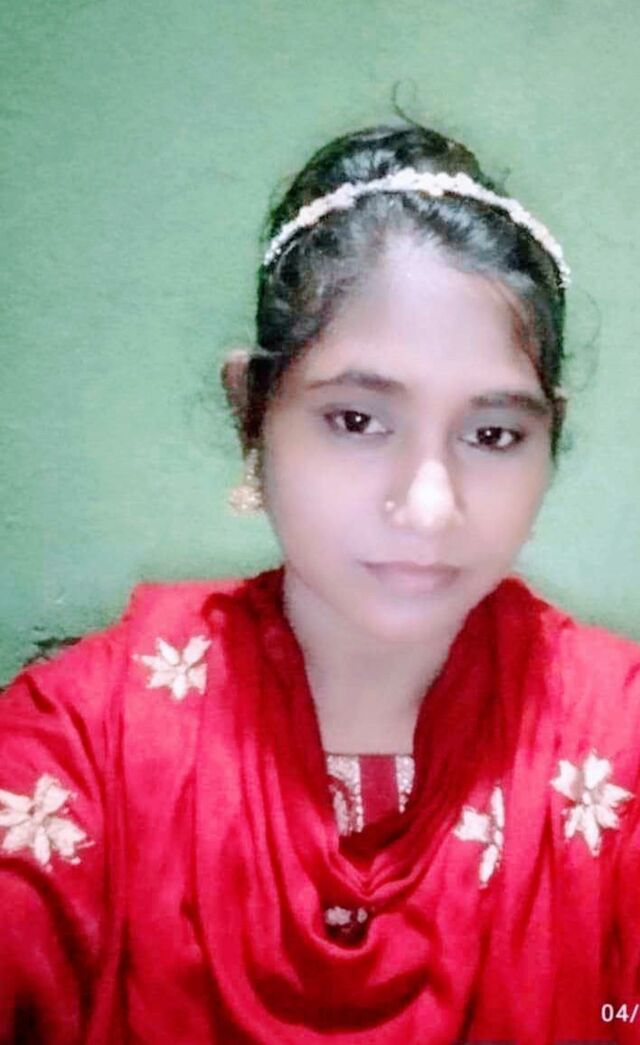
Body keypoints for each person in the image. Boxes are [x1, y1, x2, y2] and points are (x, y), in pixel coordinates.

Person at [1, 122, 639, 1045]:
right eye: (357, 420)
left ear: (551, 440)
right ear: (251, 412)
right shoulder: (83, 742)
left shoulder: (620, 747)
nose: (430, 506)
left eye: (494, 434)